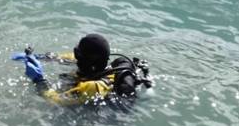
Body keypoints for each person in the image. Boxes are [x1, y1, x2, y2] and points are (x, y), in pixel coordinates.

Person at [16, 33, 151, 106]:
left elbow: (55, 100)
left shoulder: (93, 87)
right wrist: (38, 57)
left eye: (78, 54)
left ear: (88, 62)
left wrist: (38, 79)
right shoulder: (95, 64)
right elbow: (63, 57)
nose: (75, 57)